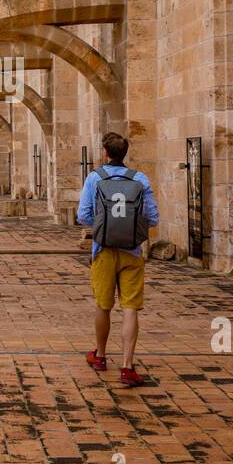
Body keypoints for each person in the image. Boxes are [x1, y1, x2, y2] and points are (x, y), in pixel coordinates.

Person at [76, 132, 159, 387]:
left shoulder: (94, 178)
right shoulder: (140, 179)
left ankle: (100, 356)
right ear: (125, 153)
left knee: (103, 305)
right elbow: (153, 218)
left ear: (105, 153)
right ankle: (127, 366)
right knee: (130, 308)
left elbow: (83, 215)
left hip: (102, 251)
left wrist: (103, 227)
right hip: (132, 252)